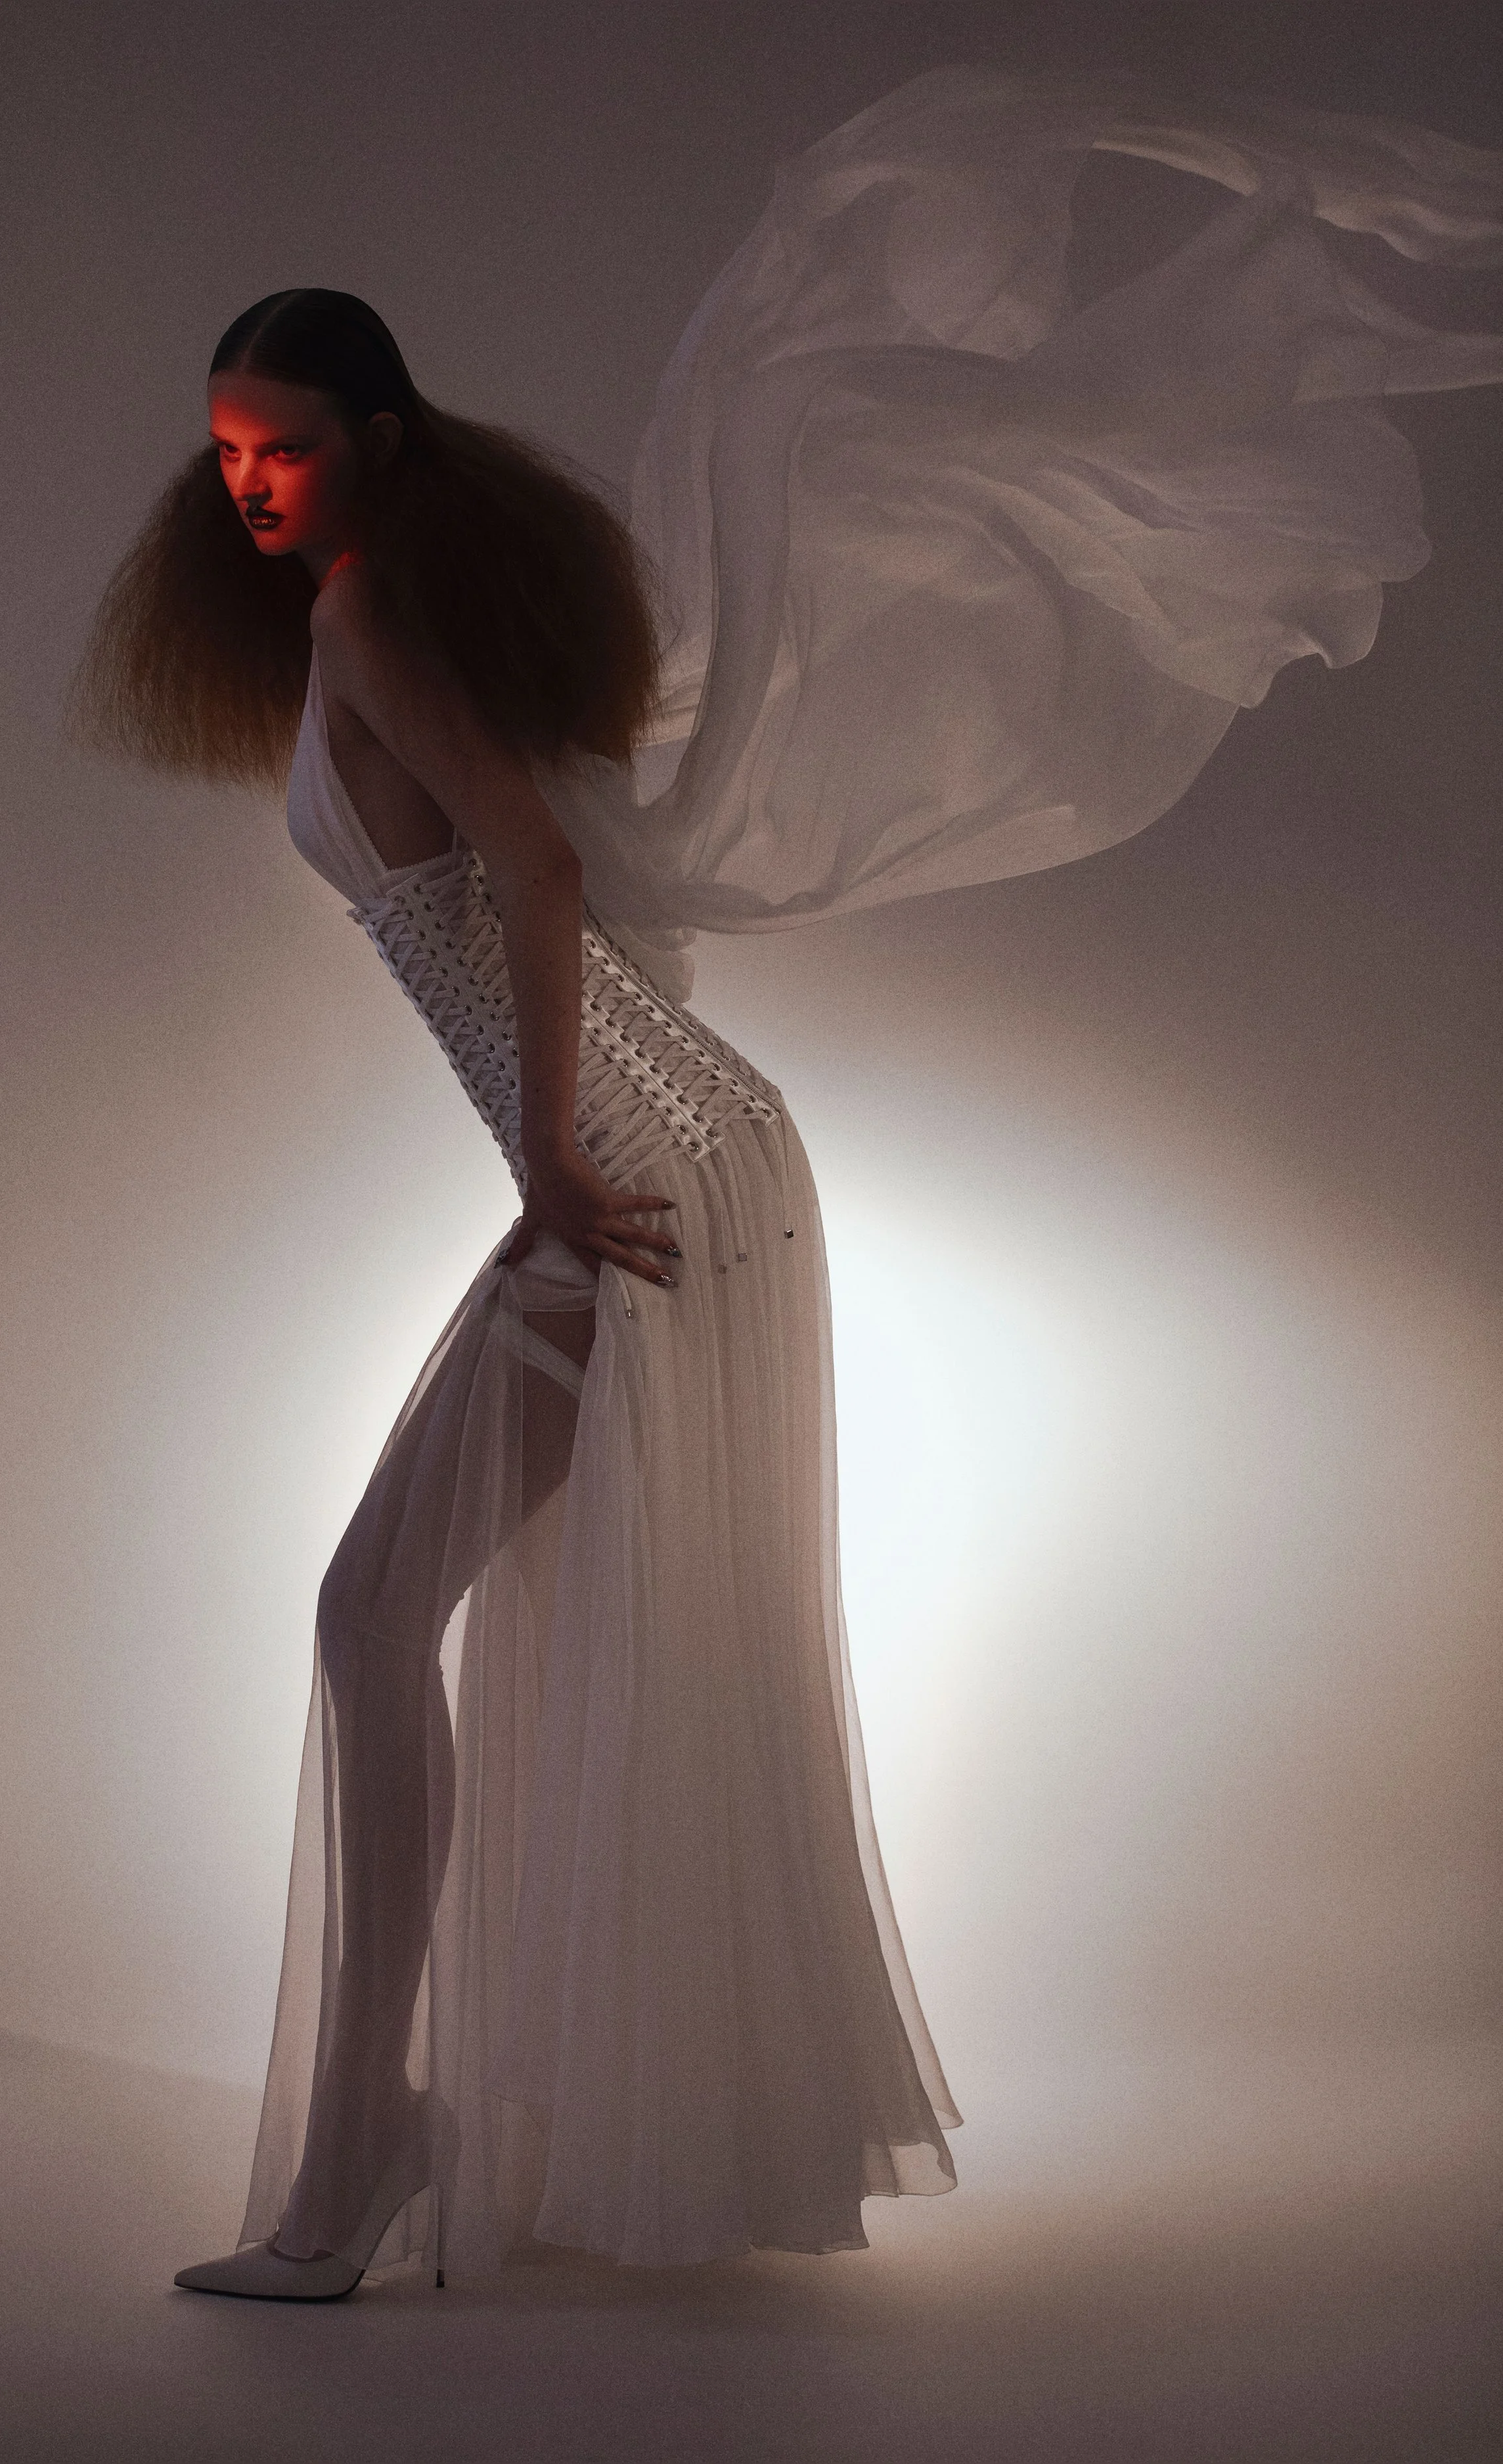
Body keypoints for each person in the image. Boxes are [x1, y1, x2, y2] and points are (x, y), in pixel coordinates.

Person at [76, 66, 1502, 2299]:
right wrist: (560, 1145)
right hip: (670, 1151)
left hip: (641, 1164)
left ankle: (363, 2161)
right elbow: (541, 867)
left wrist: (547, 1148)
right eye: (230, 450)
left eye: (292, 447)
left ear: (376, 444)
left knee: (369, 1616)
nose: (254, 485)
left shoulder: (376, 618)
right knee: (397, 1619)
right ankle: (397, 2126)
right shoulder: (394, 604)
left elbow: (542, 869)